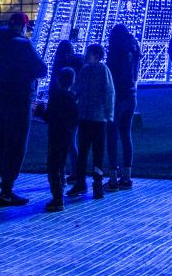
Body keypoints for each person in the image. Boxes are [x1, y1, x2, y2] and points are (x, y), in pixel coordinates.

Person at [0, 11, 47, 207]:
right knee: (16, 144)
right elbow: (42, 69)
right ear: (22, 26)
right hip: (20, 99)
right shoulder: (23, 45)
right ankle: (7, 189)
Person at [67, 43, 115, 199]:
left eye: (89, 53)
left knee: (97, 153)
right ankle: (80, 183)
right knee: (83, 152)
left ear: (97, 56)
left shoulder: (103, 70)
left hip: (98, 118)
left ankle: (97, 184)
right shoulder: (85, 70)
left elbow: (109, 92)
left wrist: (108, 114)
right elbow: (77, 89)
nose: (86, 55)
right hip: (84, 117)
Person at [35, 66, 79, 213]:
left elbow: (49, 116)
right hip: (67, 135)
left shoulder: (56, 97)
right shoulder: (73, 98)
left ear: (58, 80)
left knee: (53, 166)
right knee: (60, 162)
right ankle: (61, 186)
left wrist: (40, 111)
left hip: (55, 135)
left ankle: (57, 198)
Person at [105, 23, 141, 190]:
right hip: (131, 95)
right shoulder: (133, 48)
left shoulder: (116, 52)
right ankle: (127, 177)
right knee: (126, 135)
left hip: (117, 96)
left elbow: (113, 76)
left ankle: (113, 178)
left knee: (112, 136)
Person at [51, 39, 82, 176]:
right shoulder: (75, 64)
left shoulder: (58, 66)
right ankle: (74, 172)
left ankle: (60, 172)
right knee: (70, 142)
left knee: (59, 144)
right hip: (72, 110)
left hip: (58, 112)